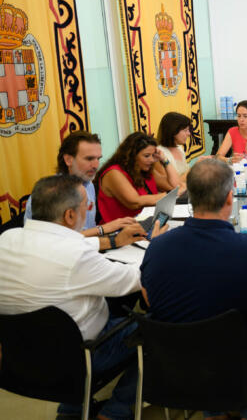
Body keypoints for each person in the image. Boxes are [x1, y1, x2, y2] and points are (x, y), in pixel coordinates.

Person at [0, 175, 165, 420]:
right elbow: (139, 278)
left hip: (20, 356)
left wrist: (112, 240)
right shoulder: (76, 256)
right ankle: (115, 411)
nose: (89, 209)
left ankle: (73, 409)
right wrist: (158, 246)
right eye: (86, 205)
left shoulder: (7, 239)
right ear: (69, 215)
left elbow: (63, 247)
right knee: (160, 330)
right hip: (83, 355)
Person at [141, 159, 247, 420]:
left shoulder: (158, 246)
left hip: (173, 361)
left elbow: (148, 298)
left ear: (190, 197)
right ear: (230, 198)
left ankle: (214, 411)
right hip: (232, 360)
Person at [24, 131, 144, 251]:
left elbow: (85, 232)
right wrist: (104, 229)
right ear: (68, 160)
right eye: (89, 159)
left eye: (98, 158)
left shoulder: (88, 184)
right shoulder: (51, 193)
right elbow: (57, 241)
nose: (96, 165)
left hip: (88, 248)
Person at [96, 132, 182, 222]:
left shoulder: (145, 169)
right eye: (146, 156)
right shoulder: (113, 173)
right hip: (122, 228)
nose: (151, 160)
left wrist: (165, 160)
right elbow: (135, 202)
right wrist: (169, 195)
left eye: (153, 155)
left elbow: (174, 185)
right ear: (132, 156)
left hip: (146, 222)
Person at [154, 111, 191, 187]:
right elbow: (171, 186)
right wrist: (193, 169)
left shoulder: (179, 148)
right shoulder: (159, 153)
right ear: (173, 131)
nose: (189, 134)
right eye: (185, 130)